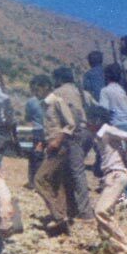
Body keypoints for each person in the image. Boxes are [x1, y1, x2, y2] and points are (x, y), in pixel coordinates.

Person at [34, 67, 94, 231]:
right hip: (87, 132)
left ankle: (83, 212)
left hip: (70, 136)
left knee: (73, 173)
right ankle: (70, 210)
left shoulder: (57, 94)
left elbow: (68, 122)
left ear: (57, 79)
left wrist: (58, 138)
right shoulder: (81, 91)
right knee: (66, 173)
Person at [85, 104, 127, 254]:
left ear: (97, 120)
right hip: (110, 176)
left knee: (101, 211)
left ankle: (125, 248)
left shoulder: (107, 129)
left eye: (89, 119)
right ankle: (110, 250)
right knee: (106, 214)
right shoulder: (98, 135)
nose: (87, 122)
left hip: (116, 174)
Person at [99, 63, 127, 204]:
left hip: (118, 127)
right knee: (124, 162)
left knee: (119, 163)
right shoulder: (123, 90)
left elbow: (103, 111)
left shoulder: (105, 91)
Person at [24, 75, 52, 190]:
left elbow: (28, 118)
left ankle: (32, 181)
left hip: (36, 131)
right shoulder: (52, 100)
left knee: (34, 156)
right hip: (48, 131)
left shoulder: (31, 102)